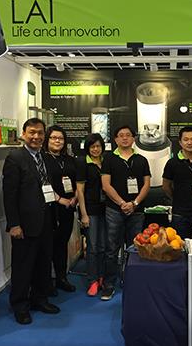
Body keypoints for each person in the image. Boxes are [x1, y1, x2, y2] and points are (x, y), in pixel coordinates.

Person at [2, 118, 60, 325]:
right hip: (24, 225)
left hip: (45, 220)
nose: (36, 137)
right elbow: (9, 195)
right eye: (32, 132)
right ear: (23, 134)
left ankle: (39, 299)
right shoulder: (15, 158)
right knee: (23, 267)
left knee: (43, 264)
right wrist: (14, 224)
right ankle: (20, 305)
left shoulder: (44, 157)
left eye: (40, 133)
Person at [100, 126, 151, 301]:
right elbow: (106, 185)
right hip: (114, 210)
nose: (124, 138)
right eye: (121, 135)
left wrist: (134, 203)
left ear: (133, 138)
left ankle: (133, 281)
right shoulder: (109, 159)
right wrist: (122, 203)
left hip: (136, 211)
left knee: (135, 248)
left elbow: (146, 184)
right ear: (115, 139)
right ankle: (109, 285)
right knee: (111, 249)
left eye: (128, 135)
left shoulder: (141, 160)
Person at [43, 125, 77, 295]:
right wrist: (59, 199)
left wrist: (75, 197)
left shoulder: (69, 159)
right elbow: (43, 183)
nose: (57, 141)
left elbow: (77, 181)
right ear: (47, 139)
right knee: (48, 246)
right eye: (53, 138)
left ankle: (61, 278)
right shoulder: (42, 159)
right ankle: (46, 281)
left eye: (61, 138)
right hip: (50, 208)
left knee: (62, 244)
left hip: (68, 208)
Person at [76, 133, 107, 297]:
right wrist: (84, 214)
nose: (95, 149)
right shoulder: (83, 164)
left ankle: (102, 277)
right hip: (91, 211)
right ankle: (93, 280)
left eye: (98, 146)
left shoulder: (106, 162)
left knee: (103, 246)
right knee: (93, 247)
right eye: (92, 146)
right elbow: (80, 191)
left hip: (107, 210)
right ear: (88, 148)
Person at [162, 126, 192, 238]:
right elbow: (166, 186)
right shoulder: (172, 163)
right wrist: (177, 197)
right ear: (180, 142)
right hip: (180, 213)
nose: (189, 143)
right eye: (186, 140)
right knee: (179, 244)